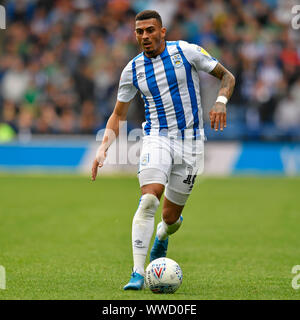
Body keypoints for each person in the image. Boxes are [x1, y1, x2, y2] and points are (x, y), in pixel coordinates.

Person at [91, 10, 235, 290]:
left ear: (163, 31)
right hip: (157, 138)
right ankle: (137, 272)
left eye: (150, 30)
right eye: (139, 31)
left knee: (170, 218)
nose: (145, 36)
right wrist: (103, 148)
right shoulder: (131, 70)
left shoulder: (187, 52)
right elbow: (118, 115)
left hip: (192, 143)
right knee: (149, 200)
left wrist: (220, 102)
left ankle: (162, 235)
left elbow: (227, 77)